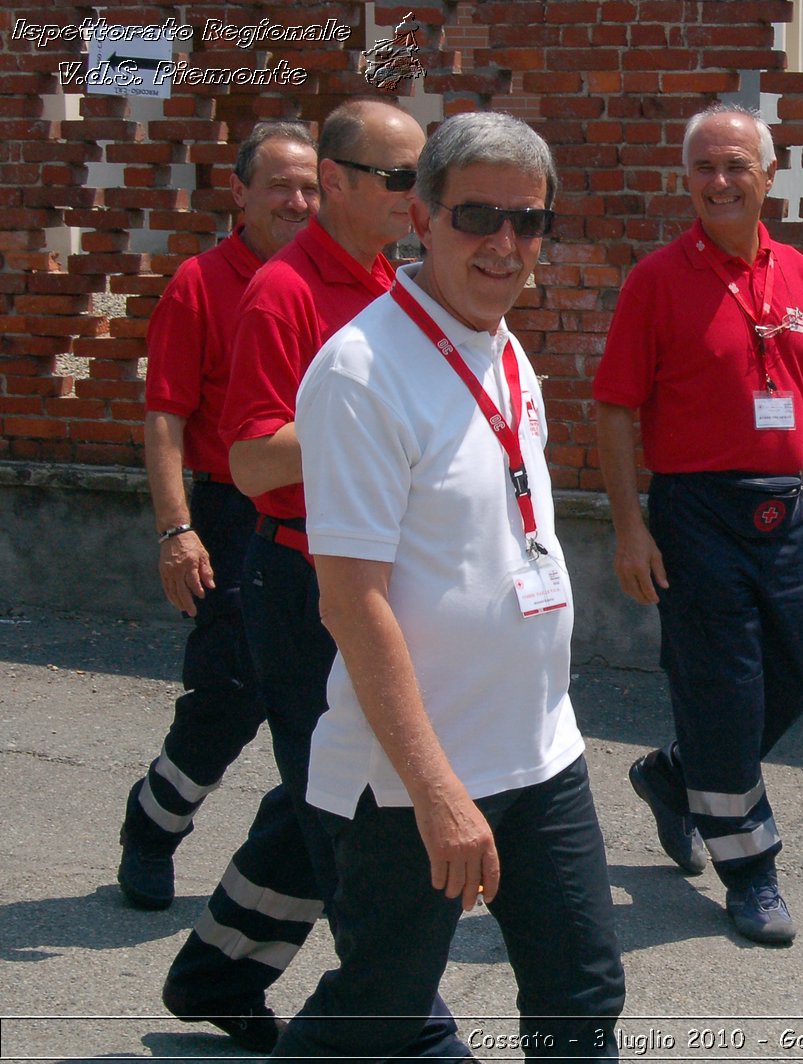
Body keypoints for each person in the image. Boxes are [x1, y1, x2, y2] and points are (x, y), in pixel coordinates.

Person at [275, 110, 624, 1060]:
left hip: (540, 755)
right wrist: (438, 792)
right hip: (407, 782)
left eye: (529, 221)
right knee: (379, 1016)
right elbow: (351, 601)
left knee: (584, 993)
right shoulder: (361, 372)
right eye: (478, 217)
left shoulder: (508, 351)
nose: (505, 245)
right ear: (420, 218)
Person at [158, 98, 469, 1057]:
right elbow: (250, 461)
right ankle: (411, 1029)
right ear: (335, 183)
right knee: (354, 813)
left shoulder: (390, 278)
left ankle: (218, 966)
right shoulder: (282, 293)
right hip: (302, 583)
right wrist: (382, 428)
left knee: (320, 789)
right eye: (398, 179)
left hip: (379, 569)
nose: (416, 197)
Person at [593, 103, 803, 946]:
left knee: (792, 678)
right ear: (686, 180)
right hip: (695, 516)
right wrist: (628, 527)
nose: (719, 183)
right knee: (724, 695)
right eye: (703, 168)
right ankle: (752, 871)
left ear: (769, 175)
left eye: (735, 167)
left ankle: (678, 774)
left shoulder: (795, 272)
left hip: (781, 514)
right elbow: (615, 410)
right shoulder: (656, 279)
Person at [119, 121, 319, 917]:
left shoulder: (343, 279)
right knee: (229, 695)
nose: (298, 201)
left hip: (329, 509)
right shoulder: (200, 284)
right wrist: (176, 531)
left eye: (310, 185)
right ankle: (155, 822)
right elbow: (164, 415)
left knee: (329, 705)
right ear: (239, 192)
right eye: (280, 186)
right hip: (233, 514)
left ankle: (307, 876)